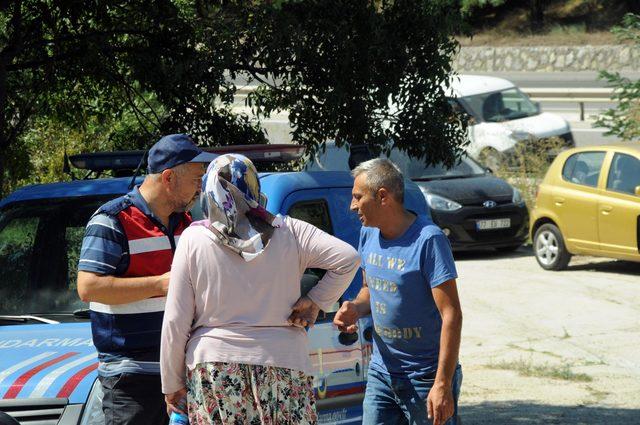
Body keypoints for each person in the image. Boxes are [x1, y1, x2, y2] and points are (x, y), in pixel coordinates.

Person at [160, 154, 360, 424]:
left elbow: (175, 320)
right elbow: (348, 259)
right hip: (285, 364)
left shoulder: (194, 239)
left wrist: (172, 384)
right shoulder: (291, 231)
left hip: (215, 368)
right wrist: (316, 301)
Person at [76, 134, 216, 425]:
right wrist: (161, 284)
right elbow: (88, 287)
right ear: (168, 178)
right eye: (196, 179)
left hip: (182, 376)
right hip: (132, 377)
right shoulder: (113, 220)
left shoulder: (189, 225)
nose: (200, 189)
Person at [334, 158, 463, 425]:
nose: (352, 205)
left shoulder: (429, 240)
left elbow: (452, 314)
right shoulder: (368, 234)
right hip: (382, 372)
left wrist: (442, 384)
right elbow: (370, 289)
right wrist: (355, 308)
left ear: (383, 196)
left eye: (358, 197)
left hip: (425, 377)